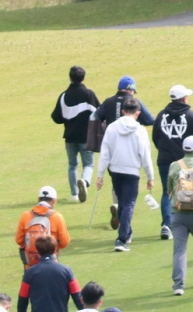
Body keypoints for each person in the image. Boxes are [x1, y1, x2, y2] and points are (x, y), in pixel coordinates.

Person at [98, 96, 156, 251]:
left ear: (123, 111)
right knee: (128, 204)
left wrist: (100, 174)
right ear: (137, 113)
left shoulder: (112, 127)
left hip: (115, 170)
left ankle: (127, 232)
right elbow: (145, 155)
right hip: (132, 172)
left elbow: (105, 152)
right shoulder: (140, 130)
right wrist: (150, 177)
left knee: (123, 203)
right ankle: (122, 239)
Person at [53, 66, 99, 202]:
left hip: (69, 136)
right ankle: (84, 181)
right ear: (83, 77)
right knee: (88, 164)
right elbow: (99, 112)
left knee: (72, 165)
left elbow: (56, 117)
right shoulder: (89, 94)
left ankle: (74, 194)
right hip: (86, 136)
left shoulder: (64, 95)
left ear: (70, 77)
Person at [153, 84, 193, 239]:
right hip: (186, 162)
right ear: (183, 98)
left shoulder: (161, 115)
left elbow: (155, 138)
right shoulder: (190, 115)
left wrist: (164, 151)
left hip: (164, 160)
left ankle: (166, 225)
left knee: (167, 192)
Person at [15, 188, 70, 268]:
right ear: (54, 201)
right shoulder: (57, 217)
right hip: (51, 264)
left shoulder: (25, 215)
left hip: (31, 265)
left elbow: (19, 240)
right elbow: (64, 242)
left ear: (38, 199)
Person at [169, 136, 193, 296]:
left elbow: (169, 189)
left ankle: (179, 285)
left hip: (178, 212)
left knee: (179, 250)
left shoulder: (175, 165)